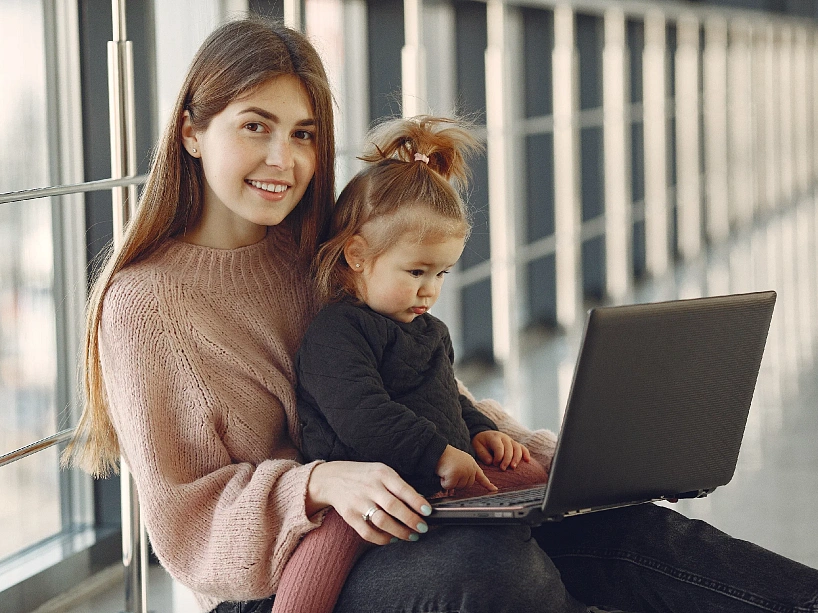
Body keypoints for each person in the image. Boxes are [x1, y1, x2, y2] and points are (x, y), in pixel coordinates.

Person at [61, 15, 818, 613]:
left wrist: (529, 451)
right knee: (502, 573)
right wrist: (320, 482)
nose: (282, 160)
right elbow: (186, 520)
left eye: (303, 134)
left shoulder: (321, 251)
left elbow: (417, 379)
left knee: (638, 531)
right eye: (254, 126)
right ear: (191, 132)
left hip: (411, 518)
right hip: (284, 579)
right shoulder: (144, 304)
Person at [270, 115, 549, 613]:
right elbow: (362, 416)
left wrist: (481, 429)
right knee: (318, 567)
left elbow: (448, 398)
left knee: (540, 480)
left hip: (432, 486)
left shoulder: (429, 331)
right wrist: (439, 454)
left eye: (441, 272)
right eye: (416, 271)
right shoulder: (338, 332)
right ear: (357, 255)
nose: (430, 289)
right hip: (361, 499)